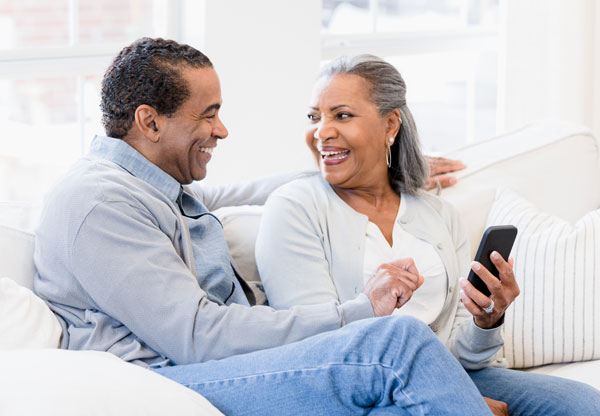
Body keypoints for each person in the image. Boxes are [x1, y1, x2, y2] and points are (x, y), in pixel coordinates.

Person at [33, 37, 496, 415]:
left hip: (206, 365)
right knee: (395, 342)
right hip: (164, 380)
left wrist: (381, 166)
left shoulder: (149, 187)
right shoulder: (98, 202)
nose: (222, 130)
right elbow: (197, 336)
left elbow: (235, 194)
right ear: (150, 122)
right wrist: (356, 312)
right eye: (208, 114)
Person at [255, 54, 600, 415]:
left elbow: (461, 353)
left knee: (584, 404)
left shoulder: (437, 214)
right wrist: (447, 399)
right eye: (315, 116)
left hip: (451, 374)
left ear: (390, 126)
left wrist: (487, 319)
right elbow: (321, 351)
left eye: (342, 115)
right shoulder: (293, 208)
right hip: (356, 391)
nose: (322, 131)